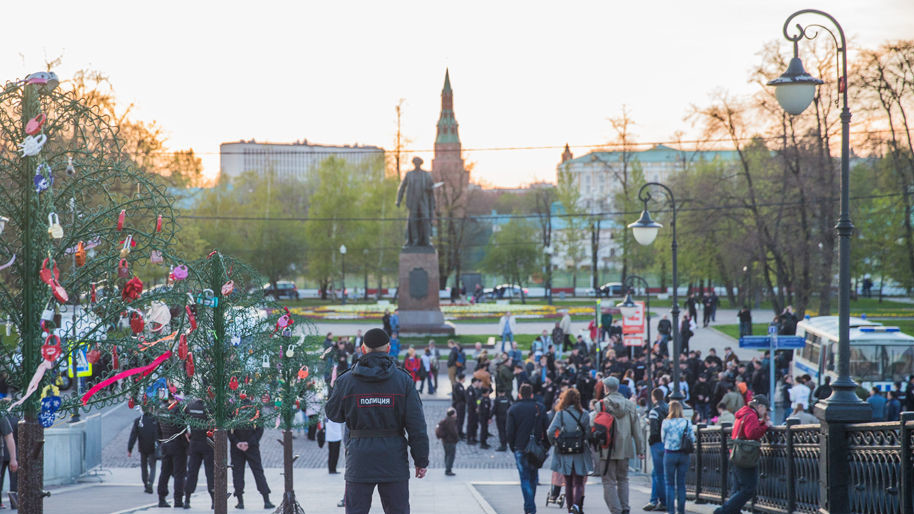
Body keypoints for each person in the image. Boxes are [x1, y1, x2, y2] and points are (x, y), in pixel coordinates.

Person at [325, 328, 429, 514]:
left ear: (362, 350)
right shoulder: (403, 380)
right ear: (388, 348)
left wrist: (335, 391)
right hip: (393, 459)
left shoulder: (346, 380)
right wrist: (421, 460)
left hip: (359, 457)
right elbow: (417, 425)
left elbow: (334, 415)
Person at [714, 395, 771, 514]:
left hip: (737, 454)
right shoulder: (751, 415)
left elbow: (748, 430)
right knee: (748, 489)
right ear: (760, 406)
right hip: (746, 455)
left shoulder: (744, 413)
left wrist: (762, 423)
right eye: (766, 409)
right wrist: (765, 425)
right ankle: (722, 511)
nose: (766, 412)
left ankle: (732, 511)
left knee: (738, 488)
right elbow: (751, 433)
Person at [596, 376, 644, 514]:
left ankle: (616, 510)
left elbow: (595, 426)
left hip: (606, 448)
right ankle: (625, 508)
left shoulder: (600, 405)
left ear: (606, 388)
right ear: (617, 388)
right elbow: (637, 430)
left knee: (609, 481)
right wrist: (640, 449)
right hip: (625, 447)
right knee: (623, 479)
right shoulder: (630, 405)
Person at [547, 388, 593, 514]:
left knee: (567, 482)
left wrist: (555, 443)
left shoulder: (560, 414)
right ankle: (576, 506)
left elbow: (550, 431)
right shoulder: (584, 414)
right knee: (578, 481)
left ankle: (570, 509)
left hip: (564, 451)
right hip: (580, 451)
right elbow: (588, 433)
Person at [506, 383, 549, 514]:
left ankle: (530, 507)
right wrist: (545, 446)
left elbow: (509, 432)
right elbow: (547, 429)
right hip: (536, 448)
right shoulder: (539, 407)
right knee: (533, 478)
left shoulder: (513, 409)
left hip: (520, 447)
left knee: (524, 478)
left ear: (519, 394)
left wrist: (513, 446)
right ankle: (530, 505)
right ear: (531, 394)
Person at [228, 406, 274, 510]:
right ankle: (266, 501)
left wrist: (237, 442)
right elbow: (260, 429)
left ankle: (240, 502)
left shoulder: (233, 408)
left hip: (237, 447)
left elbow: (228, 429)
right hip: (252, 447)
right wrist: (249, 442)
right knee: (258, 472)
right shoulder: (255, 408)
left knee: (237, 473)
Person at [661, 401, 695, 514]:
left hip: (670, 454)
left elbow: (662, 439)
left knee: (669, 484)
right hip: (683, 455)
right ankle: (681, 511)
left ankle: (671, 511)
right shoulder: (686, 422)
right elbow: (692, 438)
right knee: (681, 484)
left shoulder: (666, 422)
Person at [183, 398, 214, 509]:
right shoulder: (211, 407)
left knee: (192, 472)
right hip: (208, 443)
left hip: (194, 443)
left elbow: (182, 417)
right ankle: (214, 501)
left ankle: (187, 499)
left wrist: (187, 432)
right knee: (210, 473)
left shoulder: (190, 405)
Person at [157, 401, 188, 508]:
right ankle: (178, 500)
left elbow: (157, 428)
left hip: (165, 443)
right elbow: (182, 429)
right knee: (179, 474)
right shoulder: (179, 411)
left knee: (164, 472)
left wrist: (161, 441)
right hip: (178, 445)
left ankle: (161, 499)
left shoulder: (161, 410)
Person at [644, 389, 668, 512]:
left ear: (653, 397)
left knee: (659, 474)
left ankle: (663, 502)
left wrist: (651, 442)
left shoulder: (654, 411)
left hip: (658, 443)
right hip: (668, 444)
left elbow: (654, 431)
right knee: (656, 473)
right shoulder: (668, 408)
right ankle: (653, 499)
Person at [127, 405, 159, 495]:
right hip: (153, 447)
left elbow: (133, 436)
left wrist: (130, 448)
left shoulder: (138, 421)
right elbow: (158, 434)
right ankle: (150, 483)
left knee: (144, 466)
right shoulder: (155, 420)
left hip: (143, 447)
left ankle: (145, 483)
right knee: (153, 466)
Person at [0, 410, 18, 510]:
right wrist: (14, 458)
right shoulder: (14, 418)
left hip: (4, 455)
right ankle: (14, 503)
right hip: (8, 454)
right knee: (13, 482)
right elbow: (11, 437)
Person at [436, 408, 459, 476]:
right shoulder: (451, 421)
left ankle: (447, 467)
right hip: (450, 441)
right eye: (455, 413)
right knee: (451, 455)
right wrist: (457, 438)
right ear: (453, 414)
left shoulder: (445, 420)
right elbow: (453, 431)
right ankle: (448, 470)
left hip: (445, 441)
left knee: (447, 454)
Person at [466, 377, 481, 444]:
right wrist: (475, 407)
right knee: (470, 423)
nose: (478, 383)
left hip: (476, 409)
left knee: (475, 424)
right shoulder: (470, 389)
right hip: (471, 409)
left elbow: (477, 400)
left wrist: (478, 405)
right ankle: (469, 438)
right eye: (477, 382)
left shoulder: (477, 389)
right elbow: (470, 400)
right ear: (474, 382)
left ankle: (474, 437)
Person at [452, 373, 467, 440]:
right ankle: (458, 434)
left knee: (461, 419)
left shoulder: (459, 385)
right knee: (459, 420)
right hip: (459, 405)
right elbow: (461, 395)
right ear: (462, 378)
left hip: (460, 404)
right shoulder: (458, 386)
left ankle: (460, 432)